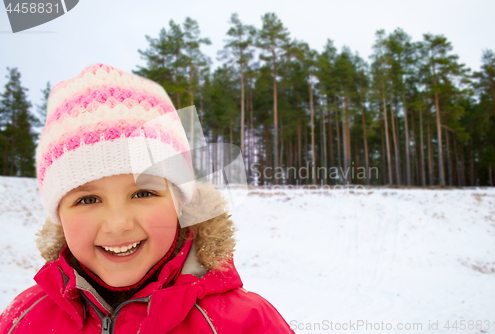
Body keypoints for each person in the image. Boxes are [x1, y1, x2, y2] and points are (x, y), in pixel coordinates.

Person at [0, 64, 294, 333]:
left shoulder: (247, 324)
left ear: (181, 203)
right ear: (59, 214)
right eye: (88, 200)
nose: (118, 225)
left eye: (143, 193)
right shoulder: (22, 320)